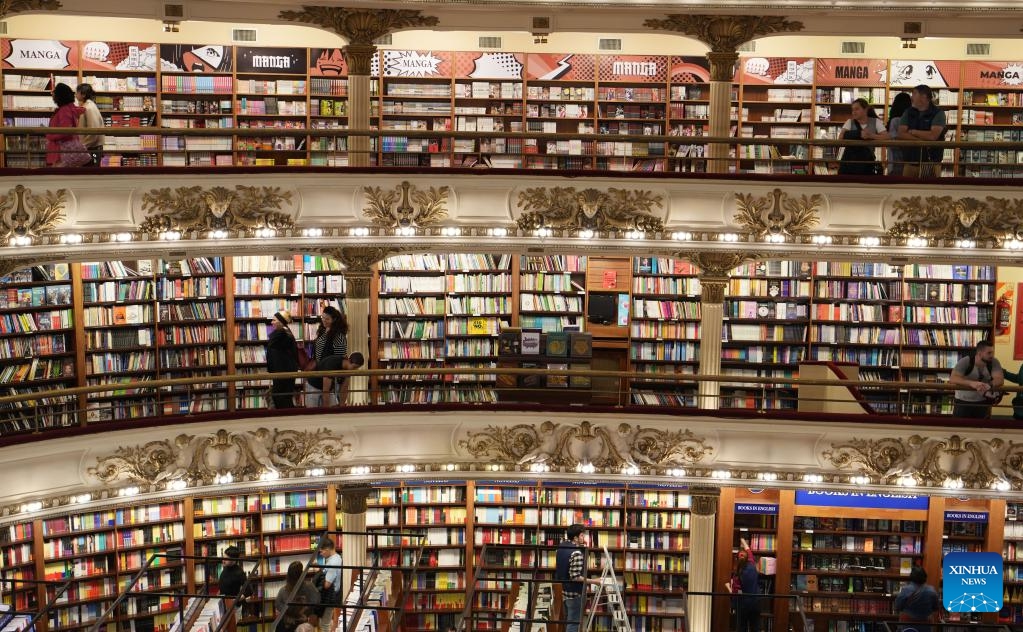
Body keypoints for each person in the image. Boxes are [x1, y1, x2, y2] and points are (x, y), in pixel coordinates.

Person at [555, 524, 600, 632]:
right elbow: (575, 577)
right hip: (575, 594)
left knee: (568, 621)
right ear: (575, 537)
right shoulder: (576, 553)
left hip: (563, 591)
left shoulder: (561, 546)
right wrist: (594, 581)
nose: (583, 538)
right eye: (581, 535)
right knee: (573, 624)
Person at [896, 85, 947, 178]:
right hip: (910, 162)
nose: (911, 97)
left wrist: (913, 132)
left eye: (914, 94)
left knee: (930, 191)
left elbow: (933, 136)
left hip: (931, 163)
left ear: (923, 97)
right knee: (907, 190)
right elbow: (901, 134)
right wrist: (922, 140)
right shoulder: (908, 112)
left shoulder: (939, 113)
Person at [949, 340, 1004, 419]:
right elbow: (953, 378)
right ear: (979, 353)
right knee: (959, 428)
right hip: (962, 402)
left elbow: (999, 379)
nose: (992, 355)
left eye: (992, 352)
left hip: (983, 402)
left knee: (981, 428)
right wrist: (971, 383)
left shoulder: (994, 362)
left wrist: (989, 385)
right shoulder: (965, 361)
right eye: (989, 353)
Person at [306, 305, 349, 407]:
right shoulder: (322, 330)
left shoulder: (339, 337)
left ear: (334, 320)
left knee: (329, 413)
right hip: (315, 378)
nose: (324, 321)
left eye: (327, 319)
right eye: (323, 318)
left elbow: (339, 360)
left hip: (328, 379)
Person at [837, 98, 888, 176]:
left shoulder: (876, 122)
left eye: (857, 109)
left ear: (865, 109)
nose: (854, 112)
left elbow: (887, 137)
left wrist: (871, 135)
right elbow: (841, 138)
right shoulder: (849, 122)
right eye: (852, 110)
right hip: (849, 162)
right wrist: (859, 134)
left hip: (866, 163)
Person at [45, 83, 85, 167]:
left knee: (59, 176)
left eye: (54, 92)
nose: (52, 94)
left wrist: (50, 135)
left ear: (60, 95)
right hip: (65, 151)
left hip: (61, 152)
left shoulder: (64, 110)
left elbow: (66, 130)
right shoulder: (69, 108)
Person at [267, 310, 300, 409]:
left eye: (274, 320)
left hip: (283, 372)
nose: (272, 322)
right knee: (282, 397)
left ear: (281, 322)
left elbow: (272, 346)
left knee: (282, 398)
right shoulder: (285, 332)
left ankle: (287, 420)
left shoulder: (282, 333)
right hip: (282, 371)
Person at [894, 566, 940, 632]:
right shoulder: (932, 591)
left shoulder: (905, 590)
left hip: (907, 624)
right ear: (925, 577)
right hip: (925, 625)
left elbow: (897, 606)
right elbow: (936, 608)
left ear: (911, 576)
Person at [275, 562, 320, 626]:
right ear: (301, 574)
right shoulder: (310, 587)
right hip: (304, 624)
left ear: (288, 575)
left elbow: (278, 604)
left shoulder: (283, 590)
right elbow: (316, 602)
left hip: (290, 624)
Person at [315, 537, 342, 632]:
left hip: (329, 597)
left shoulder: (333, 563)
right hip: (331, 595)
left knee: (324, 624)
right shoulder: (336, 557)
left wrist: (319, 577)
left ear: (327, 550)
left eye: (321, 552)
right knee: (326, 621)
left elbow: (326, 585)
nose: (321, 554)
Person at [75, 84, 104, 166]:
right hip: (89, 147)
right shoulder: (87, 106)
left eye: (77, 92)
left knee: (90, 174)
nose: (75, 94)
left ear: (83, 94)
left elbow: (93, 131)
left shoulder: (89, 108)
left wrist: (83, 145)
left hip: (91, 148)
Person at [887, 92, 912, 176]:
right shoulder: (910, 118)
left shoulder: (894, 120)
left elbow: (892, 140)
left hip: (895, 160)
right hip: (910, 159)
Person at [736, 553, 761, 632]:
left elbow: (737, 590)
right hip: (755, 602)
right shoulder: (752, 565)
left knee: (742, 627)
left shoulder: (740, 571)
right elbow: (749, 552)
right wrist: (743, 540)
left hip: (744, 603)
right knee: (755, 627)